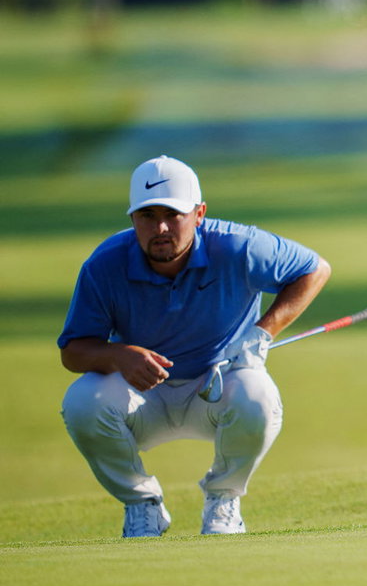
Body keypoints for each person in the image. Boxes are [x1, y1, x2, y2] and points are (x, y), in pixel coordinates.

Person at [58, 156, 332, 537]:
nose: (161, 227)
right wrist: (118, 355)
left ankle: (223, 500)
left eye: (173, 214)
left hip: (217, 387)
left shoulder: (239, 246)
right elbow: (73, 351)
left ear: (199, 213)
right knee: (83, 401)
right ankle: (142, 506)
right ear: (132, 219)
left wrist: (262, 332)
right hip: (142, 397)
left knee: (258, 395)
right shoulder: (104, 265)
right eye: (147, 216)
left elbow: (314, 269)